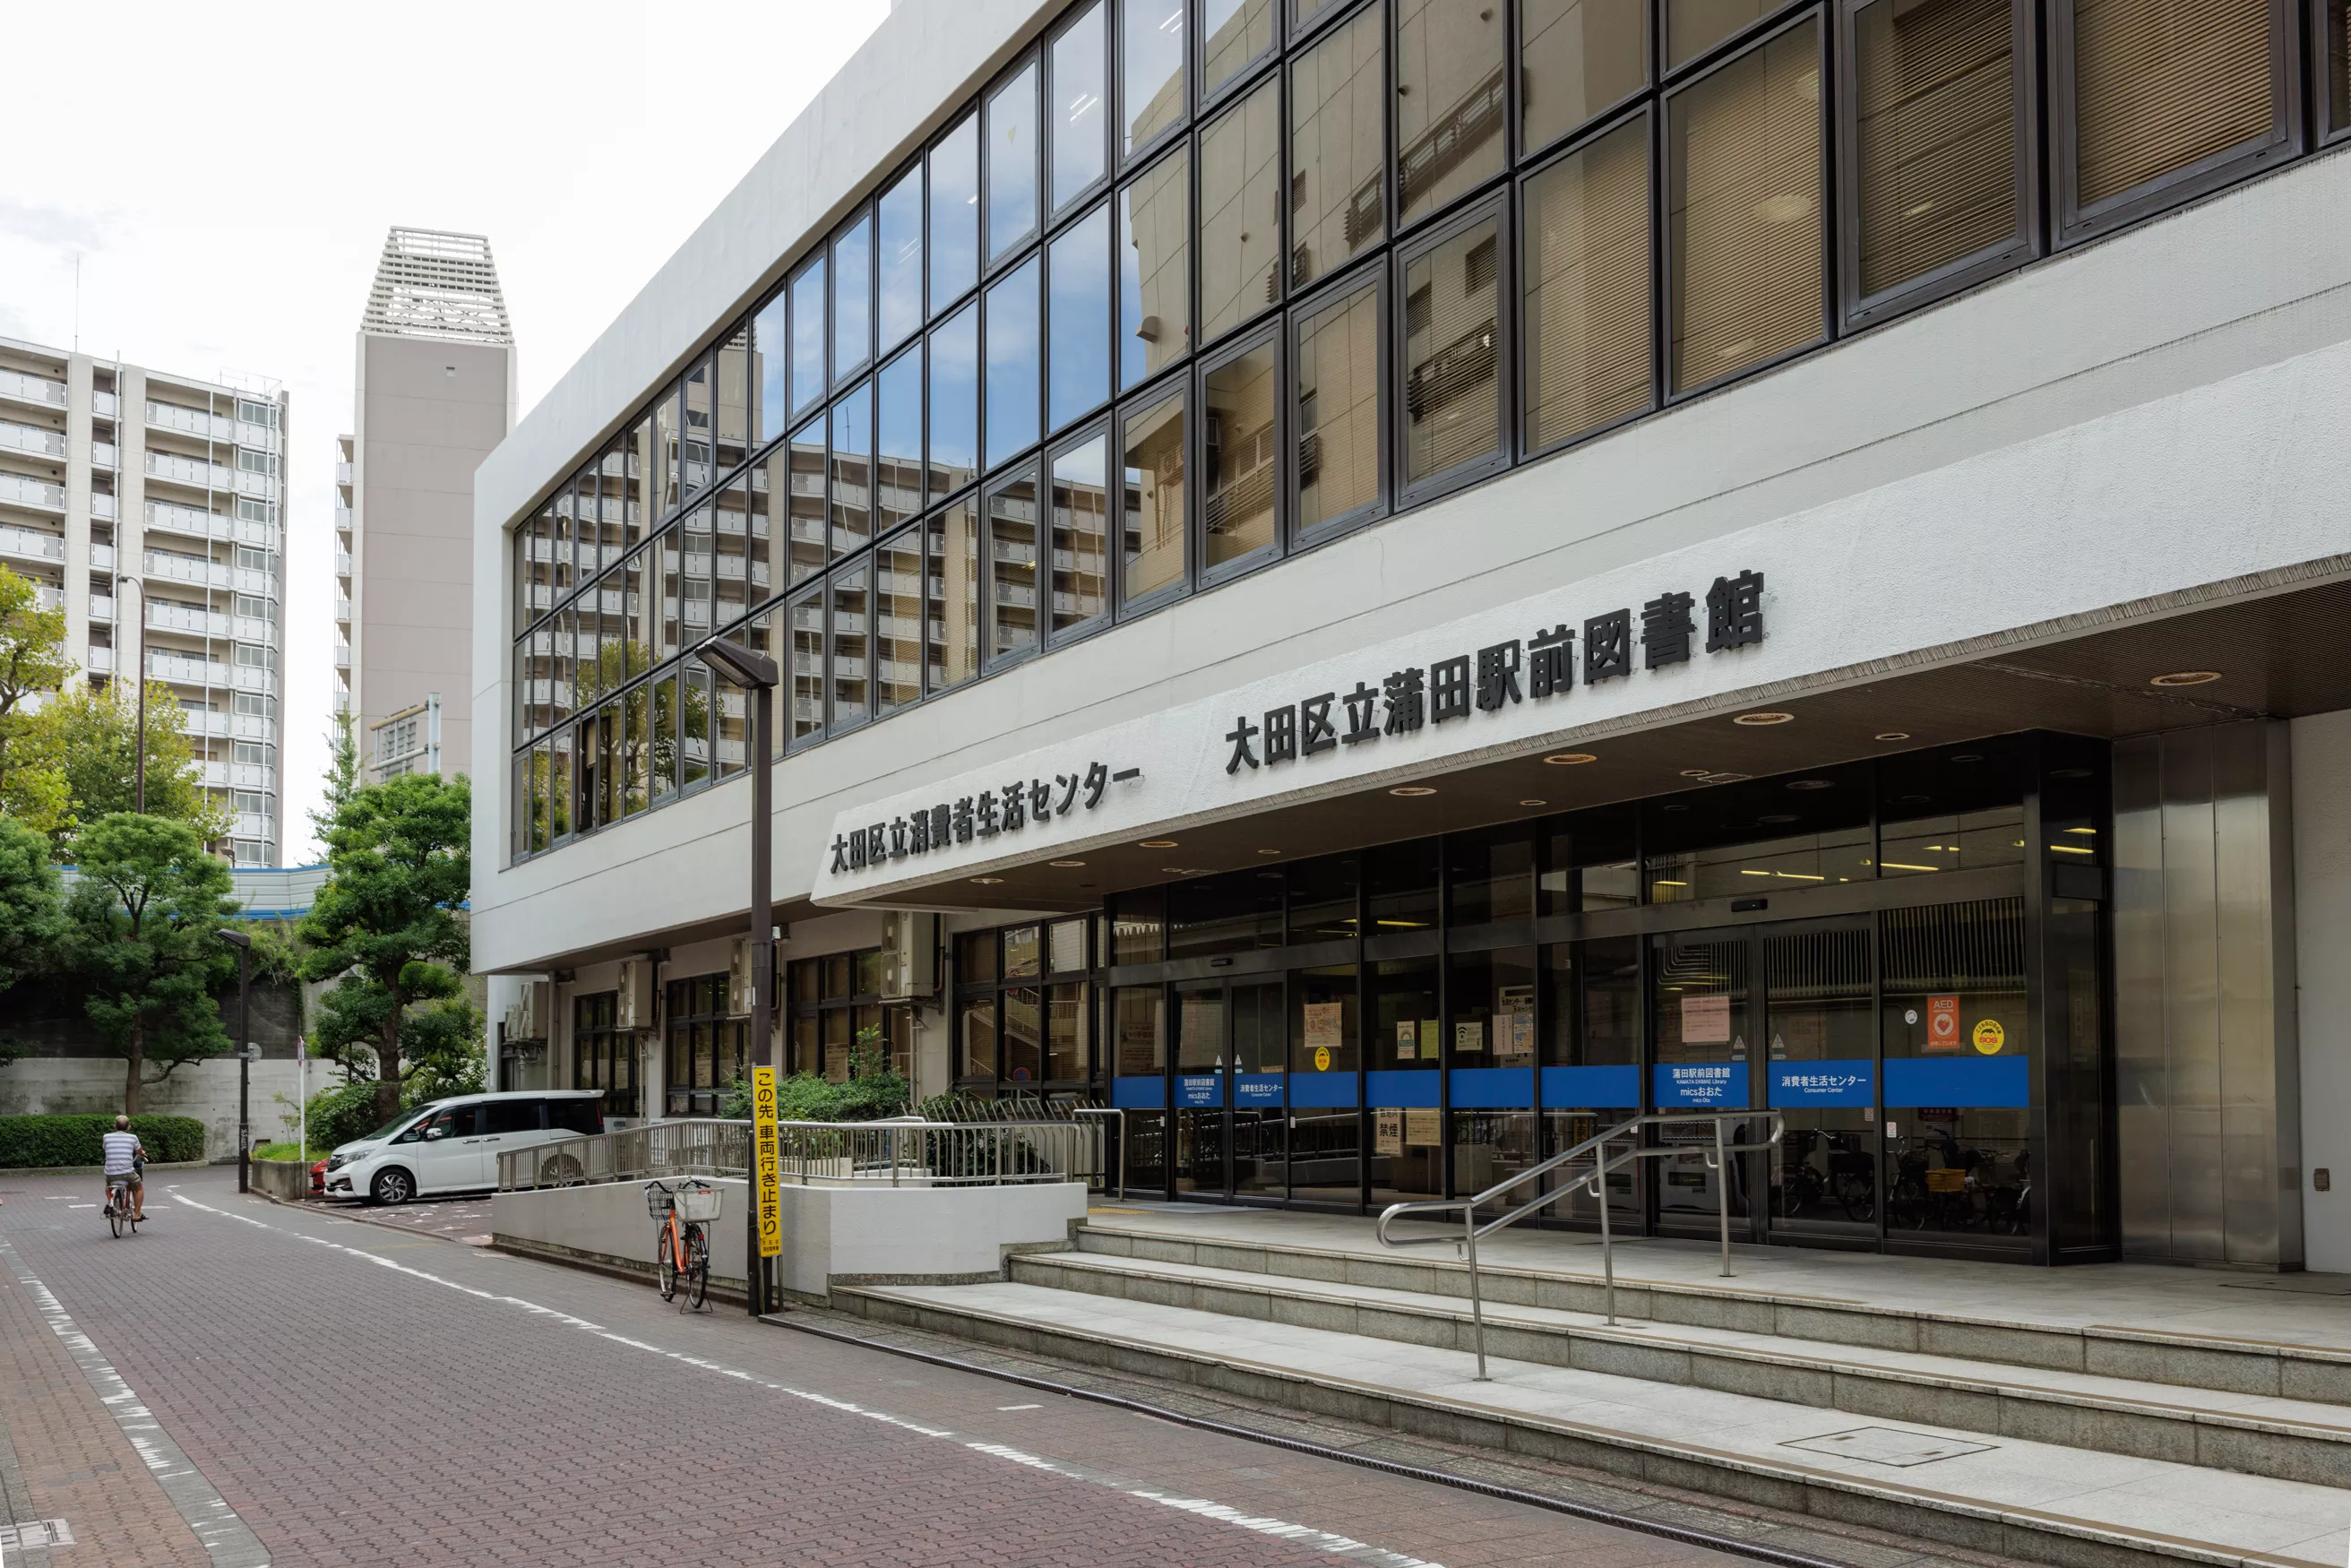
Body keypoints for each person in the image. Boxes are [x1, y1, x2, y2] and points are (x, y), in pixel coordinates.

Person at [101, 1115, 146, 1222]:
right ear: (128, 1127)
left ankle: (111, 1203)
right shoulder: (133, 1138)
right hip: (127, 1173)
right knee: (139, 1188)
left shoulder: (106, 1137)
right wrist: (142, 1153)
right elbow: (139, 1151)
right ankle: (136, 1215)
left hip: (110, 1174)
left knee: (108, 1187)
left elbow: (105, 1148)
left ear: (114, 1127)